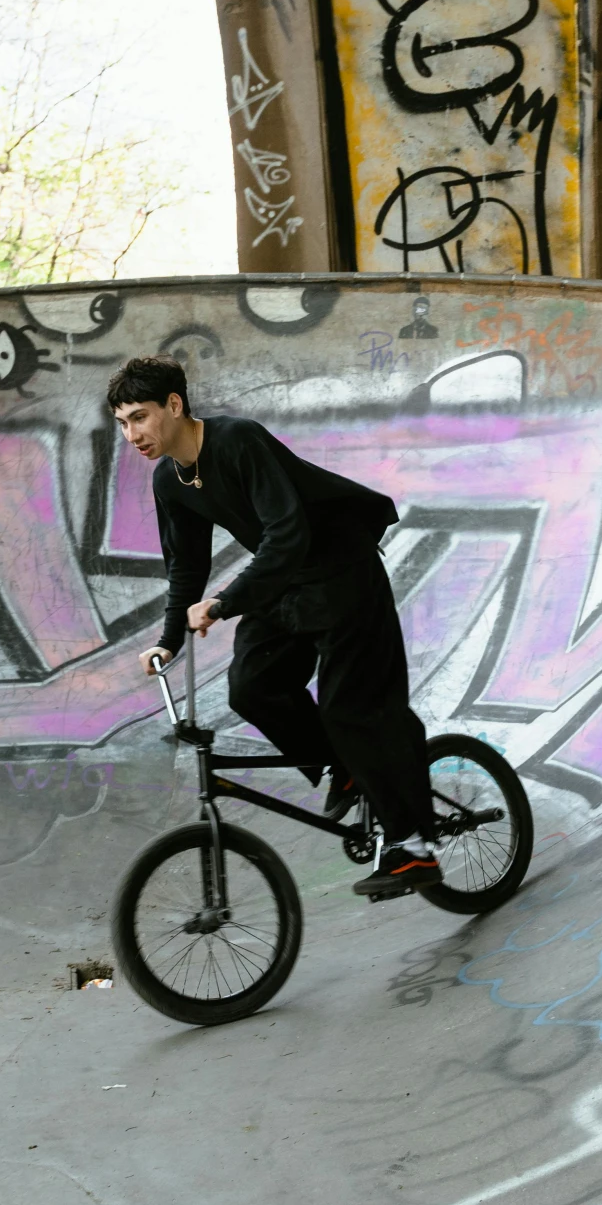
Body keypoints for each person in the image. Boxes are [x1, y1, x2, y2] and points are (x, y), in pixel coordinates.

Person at [108, 355, 440, 897]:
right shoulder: (171, 481)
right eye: (123, 423)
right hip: (284, 584)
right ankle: (349, 768)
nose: (132, 434)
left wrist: (224, 602)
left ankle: (414, 848)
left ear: (174, 405)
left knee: (353, 710)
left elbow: (288, 535)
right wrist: (168, 641)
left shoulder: (238, 441)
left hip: (341, 572)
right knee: (253, 688)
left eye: (140, 417)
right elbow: (185, 567)